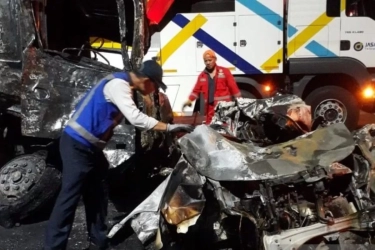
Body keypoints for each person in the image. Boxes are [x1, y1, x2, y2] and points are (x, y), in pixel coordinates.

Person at [44, 60, 194, 250]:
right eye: (155, 85)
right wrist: (170, 127)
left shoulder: (124, 85)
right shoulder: (118, 85)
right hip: (77, 145)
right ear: (146, 80)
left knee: (97, 192)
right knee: (69, 197)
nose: (154, 90)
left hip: (90, 148)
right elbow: (136, 119)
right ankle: (53, 246)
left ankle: (98, 242)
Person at [182, 50, 241, 124]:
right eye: (205, 61)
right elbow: (196, 91)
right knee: (210, 130)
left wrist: (240, 102)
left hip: (224, 108)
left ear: (215, 59)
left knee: (224, 129)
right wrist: (189, 100)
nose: (208, 63)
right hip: (210, 109)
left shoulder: (225, 72)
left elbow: (234, 89)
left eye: (210, 60)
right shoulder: (202, 76)